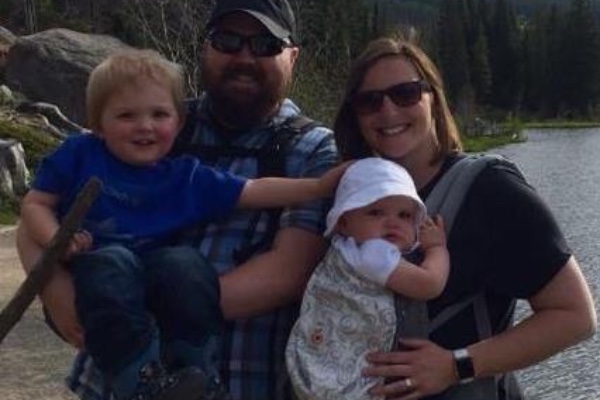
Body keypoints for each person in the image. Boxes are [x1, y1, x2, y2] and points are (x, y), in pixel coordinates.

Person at [15, 1, 340, 400]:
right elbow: (37, 213)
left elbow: (286, 274)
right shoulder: (154, 118)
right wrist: (57, 289)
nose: (244, 56)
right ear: (205, 47)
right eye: (227, 40)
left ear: (293, 56)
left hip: (242, 380)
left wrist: (121, 304)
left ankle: (193, 371)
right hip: (108, 387)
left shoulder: (313, 148)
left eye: (265, 44)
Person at [332, 35, 597, 400]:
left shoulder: (490, 189)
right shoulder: (353, 195)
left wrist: (455, 365)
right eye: (369, 101)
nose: (388, 111)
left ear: (433, 99)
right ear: (355, 115)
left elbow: (575, 316)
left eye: (406, 93)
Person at [285, 157, 449, 399]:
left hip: (319, 362)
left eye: (404, 215)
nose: (392, 222)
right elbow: (429, 284)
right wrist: (436, 248)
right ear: (343, 222)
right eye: (375, 212)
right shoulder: (374, 253)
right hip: (350, 379)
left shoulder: (343, 249)